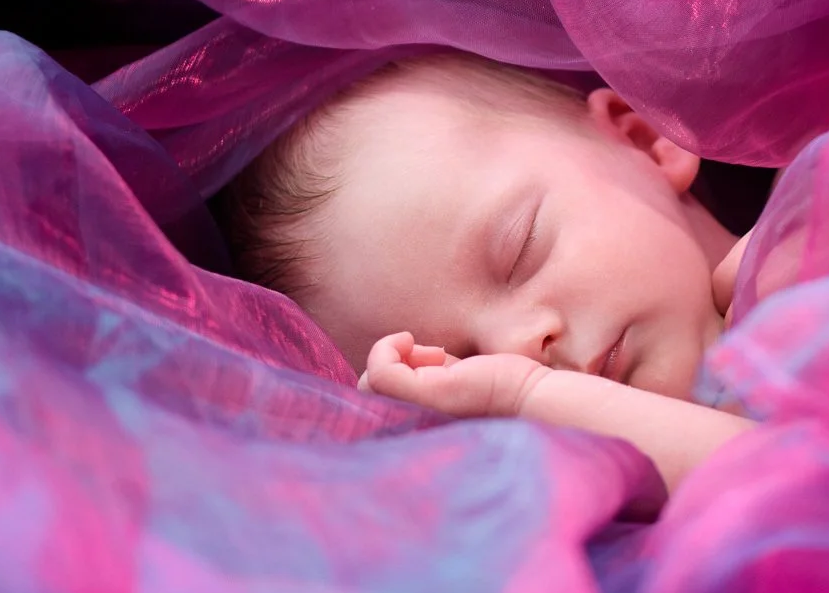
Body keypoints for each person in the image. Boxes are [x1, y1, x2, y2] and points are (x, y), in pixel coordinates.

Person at [213, 52, 755, 501]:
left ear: (642, 140)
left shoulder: (798, 238)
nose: (515, 348)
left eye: (522, 251)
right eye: (459, 365)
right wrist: (521, 397)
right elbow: (766, 481)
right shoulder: (604, 540)